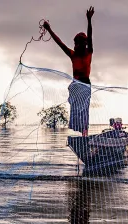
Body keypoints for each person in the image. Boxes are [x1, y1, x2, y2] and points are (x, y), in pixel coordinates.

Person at [43, 6, 94, 137]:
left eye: (79, 43)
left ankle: (85, 135)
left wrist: (89, 20)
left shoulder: (89, 52)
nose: (76, 46)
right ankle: (81, 133)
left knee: (84, 111)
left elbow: (90, 35)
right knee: (76, 110)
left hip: (85, 85)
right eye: (75, 43)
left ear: (84, 44)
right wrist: (49, 30)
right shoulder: (73, 54)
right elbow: (59, 43)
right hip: (76, 85)